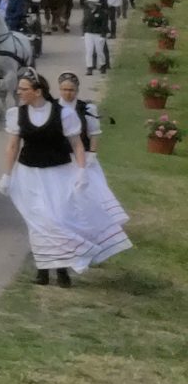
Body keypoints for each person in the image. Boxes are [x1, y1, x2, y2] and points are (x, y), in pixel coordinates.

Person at [1, 71, 87, 287]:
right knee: (38, 221)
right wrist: (7, 174)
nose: (19, 93)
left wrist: (82, 171)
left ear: (38, 92)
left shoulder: (63, 114)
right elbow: (13, 146)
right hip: (30, 173)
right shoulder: (17, 114)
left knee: (57, 219)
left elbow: (77, 144)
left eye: (24, 89)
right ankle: (43, 269)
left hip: (58, 172)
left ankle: (62, 269)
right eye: (19, 89)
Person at [54, 71, 134, 272]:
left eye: (71, 90)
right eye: (64, 89)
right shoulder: (53, 108)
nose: (67, 93)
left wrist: (91, 154)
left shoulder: (85, 108)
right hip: (61, 159)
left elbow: (93, 133)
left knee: (90, 197)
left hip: (82, 160)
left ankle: (95, 234)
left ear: (77, 90)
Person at [80, 0, 115, 76]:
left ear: (95, 4)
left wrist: (103, 35)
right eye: (89, 3)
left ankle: (103, 65)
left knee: (100, 51)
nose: (89, 5)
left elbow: (104, 24)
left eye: (91, 4)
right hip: (89, 33)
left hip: (98, 34)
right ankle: (89, 67)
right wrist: (83, 33)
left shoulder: (102, 13)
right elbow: (84, 23)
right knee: (89, 51)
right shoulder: (87, 12)